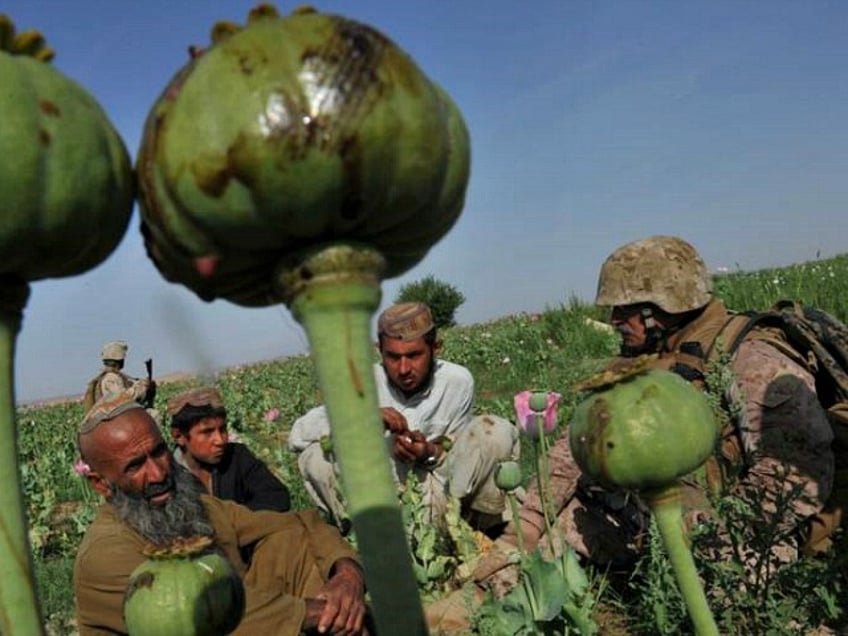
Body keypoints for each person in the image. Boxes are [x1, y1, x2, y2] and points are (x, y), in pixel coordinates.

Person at [428, 235, 836, 629]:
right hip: (642, 517)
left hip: (741, 534)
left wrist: (702, 540)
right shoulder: (647, 359)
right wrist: (529, 525)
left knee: (718, 603)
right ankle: (466, 610)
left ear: (665, 307)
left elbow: (795, 475)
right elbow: (579, 443)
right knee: (541, 554)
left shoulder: (752, 359)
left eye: (624, 311)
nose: (613, 322)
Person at [74, 390, 370, 636]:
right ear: (100, 483)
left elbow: (299, 521)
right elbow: (195, 614)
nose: (158, 473)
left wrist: (347, 575)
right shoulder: (106, 554)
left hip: (248, 616)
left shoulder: (192, 506)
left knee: (290, 543)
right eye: (135, 466)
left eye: (159, 452)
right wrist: (316, 612)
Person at [289, 301, 520, 533]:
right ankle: (361, 539)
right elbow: (299, 434)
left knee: (493, 431)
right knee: (317, 456)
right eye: (392, 357)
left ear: (436, 348)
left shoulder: (457, 382)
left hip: (444, 494)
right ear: (380, 351)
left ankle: (487, 529)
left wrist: (428, 452)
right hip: (384, 500)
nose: (403, 369)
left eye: (414, 355)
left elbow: (458, 453)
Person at [167, 386, 291, 513]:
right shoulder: (167, 475)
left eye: (222, 429)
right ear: (179, 436)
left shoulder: (237, 456)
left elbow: (277, 497)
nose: (220, 440)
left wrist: (231, 522)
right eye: (207, 432)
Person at [83, 341, 155, 412]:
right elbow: (123, 397)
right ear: (119, 360)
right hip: (117, 413)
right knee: (155, 415)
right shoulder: (111, 378)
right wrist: (141, 387)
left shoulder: (114, 376)